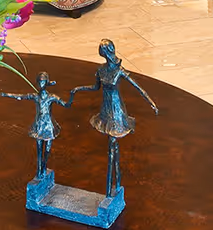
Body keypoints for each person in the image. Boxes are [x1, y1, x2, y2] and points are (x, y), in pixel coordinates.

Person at [67, 40, 158, 196]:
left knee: (112, 145)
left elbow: (138, 88)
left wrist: (151, 103)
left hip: (116, 109)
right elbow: (95, 87)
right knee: (111, 145)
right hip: (105, 108)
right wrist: (78, 89)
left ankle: (112, 186)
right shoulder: (101, 70)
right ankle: (111, 186)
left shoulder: (119, 71)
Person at [0, 72, 73, 180]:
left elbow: (66, 105)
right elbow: (21, 97)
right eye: (39, 82)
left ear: (47, 82)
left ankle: (43, 167)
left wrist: (72, 95)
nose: (41, 84)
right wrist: (7, 94)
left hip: (48, 126)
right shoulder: (35, 96)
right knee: (38, 149)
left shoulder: (52, 97)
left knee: (47, 150)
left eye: (43, 81)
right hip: (38, 126)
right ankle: (39, 170)